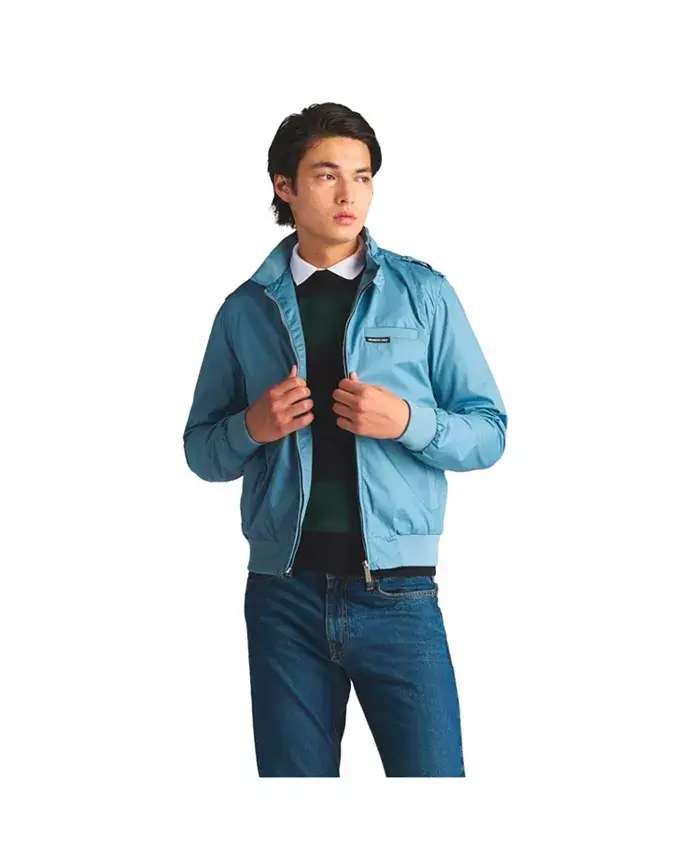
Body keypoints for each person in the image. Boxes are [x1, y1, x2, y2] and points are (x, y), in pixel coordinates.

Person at [182, 102, 508, 777]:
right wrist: (252, 426)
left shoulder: (423, 294)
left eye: (362, 177)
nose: (348, 195)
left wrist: (408, 420)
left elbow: (488, 431)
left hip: (400, 594)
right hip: (283, 597)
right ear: (285, 186)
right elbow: (200, 449)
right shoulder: (245, 310)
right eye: (327, 175)